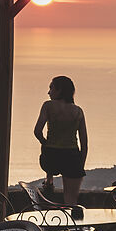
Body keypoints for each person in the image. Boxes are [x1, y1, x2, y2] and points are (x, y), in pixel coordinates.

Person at [33, 74, 88, 210]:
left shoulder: (48, 106)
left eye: (51, 88)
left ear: (59, 90)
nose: (48, 92)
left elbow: (37, 131)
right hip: (71, 156)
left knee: (48, 151)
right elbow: (84, 143)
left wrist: (44, 142)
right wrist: (80, 164)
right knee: (71, 201)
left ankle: (49, 180)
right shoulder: (78, 111)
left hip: (51, 157)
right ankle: (72, 228)